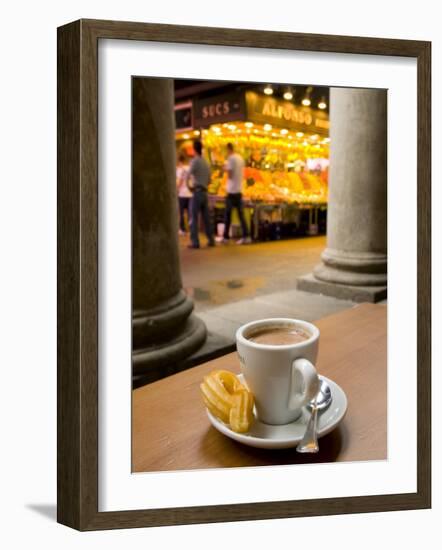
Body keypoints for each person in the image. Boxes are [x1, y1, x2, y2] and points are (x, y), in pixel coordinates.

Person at [218, 142, 251, 244]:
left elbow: (230, 175)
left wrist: (224, 169)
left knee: (227, 214)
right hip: (239, 189)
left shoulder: (231, 159)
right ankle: (246, 236)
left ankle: (226, 237)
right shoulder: (240, 158)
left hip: (231, 190)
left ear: (228, 149)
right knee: (241, 215)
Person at [186, 140, 215, 249]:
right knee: (206, 218)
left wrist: (189, 187)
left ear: (194, 149)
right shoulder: (206, 162)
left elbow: (188, 176)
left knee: (193, 217)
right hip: (205, 192)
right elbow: (209, 180)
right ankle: (211, 240)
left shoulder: (195, 161)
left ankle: (195, 242)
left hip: (197, 192)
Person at [176, 153, 192, 235]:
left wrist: (176, 190)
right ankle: (190, 230)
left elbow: (179, 182)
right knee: (190, 213)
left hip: (182, 194)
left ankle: (182, 229)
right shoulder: (190, 168)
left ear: (179, 161)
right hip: (190, 193)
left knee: (181, 213)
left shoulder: (180, 169)